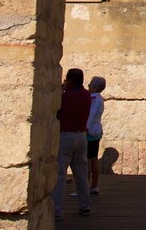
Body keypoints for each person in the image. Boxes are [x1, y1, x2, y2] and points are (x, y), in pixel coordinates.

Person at [53, 68, 91, 220]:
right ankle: (85, 206)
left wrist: (61, 91)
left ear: (70, 81)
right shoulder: (87, 95)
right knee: (81, 174)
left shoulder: (65, 97)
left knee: (60, 174)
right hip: (81, 135)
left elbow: (57, 112)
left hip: (66, 135)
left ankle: (57, 210)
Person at [85, 76, 106, 194]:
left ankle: (85, 186)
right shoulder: (98, 98)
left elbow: (90, 115)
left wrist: (85, 128)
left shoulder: (94, 99)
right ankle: (94, 185)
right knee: (93, 159)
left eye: (91, 84)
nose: (88, 86)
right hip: (96, 131)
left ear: (95, 87)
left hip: (90, 131)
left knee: (87, 159)